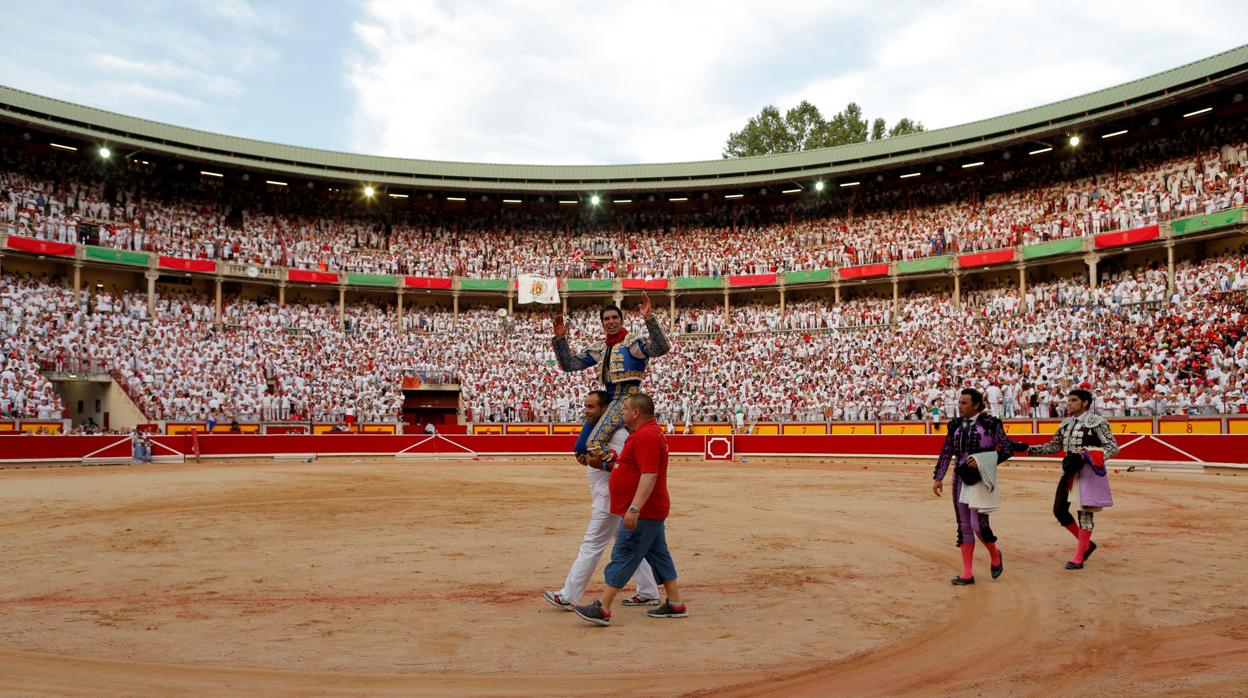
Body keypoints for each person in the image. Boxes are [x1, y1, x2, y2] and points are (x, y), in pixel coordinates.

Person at [573, 392, 686, 626]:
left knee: (624, 553)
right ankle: (675, 603)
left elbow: (649, 474)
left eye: (624, 409)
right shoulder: (645, 434)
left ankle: (603, 608)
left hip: (644, 510)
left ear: (635, 413)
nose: (620, 413)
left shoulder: (645, 436)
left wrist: (634, 508)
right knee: (659, 555)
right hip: (650, 509)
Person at [542, 390, 659, 610]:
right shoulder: (607, 434)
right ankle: (648, 590)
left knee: (592, 544)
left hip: (609, 498)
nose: (586, 412)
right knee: (627, 545)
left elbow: (630, 467)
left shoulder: (617, 436)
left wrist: (602, 464)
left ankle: (569, 595)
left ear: (605, 411)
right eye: (585, 406)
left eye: (591, 407)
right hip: (609, 496)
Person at [552, 294, 670, 468]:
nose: (611, 321)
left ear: (622, 321)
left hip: (626, 400)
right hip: (607, 401)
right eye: (606, 319)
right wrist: (561, 338)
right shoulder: (601, 348)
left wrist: (648, 318)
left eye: (615, 317)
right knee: (580, 448)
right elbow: (569, 365)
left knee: (594, 443)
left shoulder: (632, 344)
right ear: (602, 323)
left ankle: (624, 468)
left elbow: (661, 348)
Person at [1027, 389, 1120, 570]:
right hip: (1069, 471)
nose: (1069, 403)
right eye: (1068, 400)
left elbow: (1113, 447)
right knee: (1059, 510)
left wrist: (1087, 457)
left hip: (1089, 472)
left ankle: (1079, 555)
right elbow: (1054, 446)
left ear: (1085, 403)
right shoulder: (1066, 423)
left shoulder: (1097, 422)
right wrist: (1030, 449)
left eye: (1073, 400)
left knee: (1085, 513)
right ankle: (1086, 543)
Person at [932, 388, 1016, 585]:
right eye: (959, 402)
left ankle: (995, 555)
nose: (959, 406)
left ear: (976, 405)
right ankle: (967, 573)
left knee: (979, 525)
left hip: (981, 478)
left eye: (964, 403)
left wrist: (984, 461)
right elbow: (946, 452)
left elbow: (1006, 449)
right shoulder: (955, 425)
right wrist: (938, 477)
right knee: (964, 526)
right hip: (960, 478)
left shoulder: (990, 424)